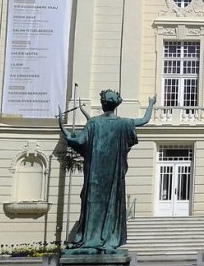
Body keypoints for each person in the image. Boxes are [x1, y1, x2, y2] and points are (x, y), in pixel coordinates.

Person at [58, 90, 155, 254]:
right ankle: (109, 237)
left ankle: (89, 237)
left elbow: (79, 141)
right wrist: (151, 103)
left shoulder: (93, 123)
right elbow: (144, 120)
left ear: (102, 104)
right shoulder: (123, 123)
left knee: (91, 204)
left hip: (95, 173)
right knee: (111, 205)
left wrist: (67, 134)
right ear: (117, 105)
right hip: (114, 174)